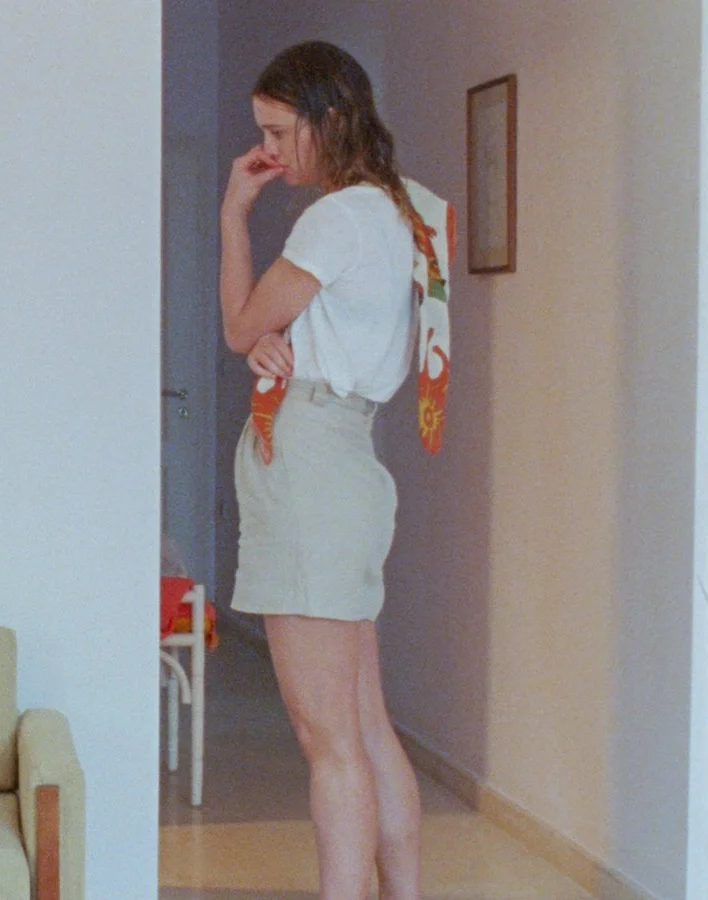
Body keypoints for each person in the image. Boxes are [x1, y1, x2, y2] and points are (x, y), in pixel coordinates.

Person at [219, 41, 425, 900]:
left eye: (278, 131)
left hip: (310, 468)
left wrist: (234, 213)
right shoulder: (396, 210)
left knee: (328, 740)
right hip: (349, 464)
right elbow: (296, 332)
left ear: (328, 118)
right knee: (366, 728)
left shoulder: (335, 217)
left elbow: (240, 324)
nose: (268, 152)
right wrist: (283, 342)